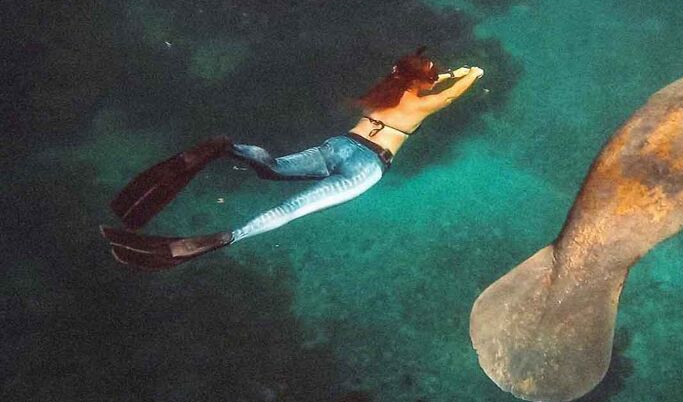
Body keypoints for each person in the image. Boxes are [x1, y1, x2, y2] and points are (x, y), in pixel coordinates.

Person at [100, 47, 484, 270]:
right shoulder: (419, 106)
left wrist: (431, 74)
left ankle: (224, 146)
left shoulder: (387, 91)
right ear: (423, 83)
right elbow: (453, 94)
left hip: (341, 144)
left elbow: (413, 78)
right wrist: (470, 73)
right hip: (367, 166)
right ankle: (221, 238)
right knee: (290, 210)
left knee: (273, 168)